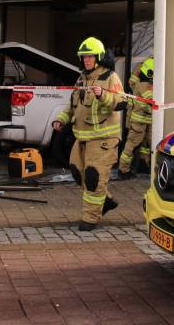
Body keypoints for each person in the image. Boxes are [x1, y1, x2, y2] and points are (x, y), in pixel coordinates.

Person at [52, 37, 123, 231]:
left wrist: (103, 95)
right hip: (82, 137)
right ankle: (105, 201)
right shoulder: (81, 78)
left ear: (99, 57)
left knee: (93, 178)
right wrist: (61, 119)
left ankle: (91, 218)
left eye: (90, 56)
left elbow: (122, 102)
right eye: (84, 57)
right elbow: (72, 105)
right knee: (77, 172)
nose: (87, 60)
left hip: (103, 140)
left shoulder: (110, 77)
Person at [118, 57, 153, 180]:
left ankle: (143, 164)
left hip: (145, 120)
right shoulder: (144, 85)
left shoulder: (143, 82)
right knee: (132, 144)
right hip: (140, 120)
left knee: (145, 145)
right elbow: (152, 100)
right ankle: (123, 170)